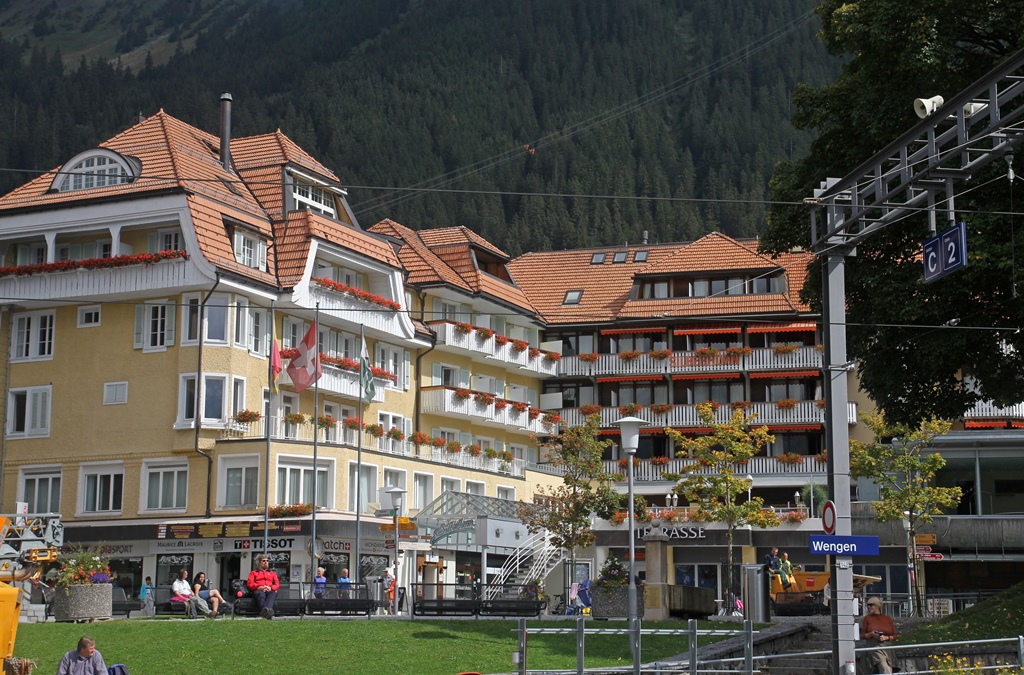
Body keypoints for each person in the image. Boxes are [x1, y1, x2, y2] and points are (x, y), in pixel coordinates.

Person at [858, 597, 898, 674]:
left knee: (889, 669)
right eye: (867, 605)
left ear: (877, 606)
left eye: (871, 605)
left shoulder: (887, 618)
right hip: (874, 647)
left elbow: (895, 635)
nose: (869, 607)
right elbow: (863, 636)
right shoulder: (867, 618)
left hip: (887, 647)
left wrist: (886, 637)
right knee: (885, 668)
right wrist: (871, 634)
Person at [247, 554, 280, 619]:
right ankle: (268, 612)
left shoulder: (272, 573)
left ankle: (264, 612)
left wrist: (271, 588)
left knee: (273, 593)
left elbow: (277, 584)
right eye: (263, 561)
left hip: (269, 590)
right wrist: (259, 587)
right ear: (259, 563)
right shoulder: (253, 573)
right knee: (261, 594)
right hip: (258, 590)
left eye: (267, 561)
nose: (266, 562)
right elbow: (250, 584)